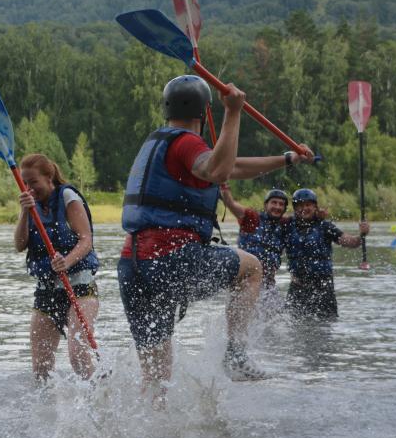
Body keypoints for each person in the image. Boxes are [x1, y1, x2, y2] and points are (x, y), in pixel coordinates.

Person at [116, 74, 314, 402]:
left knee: (155, 378)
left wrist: (287, 159)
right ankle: (236, 356)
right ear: (204, 109)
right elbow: (218, 171)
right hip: (172, 259)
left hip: (134, 267)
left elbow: (232, 166)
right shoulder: (187, 142)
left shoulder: (160, 142)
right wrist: (233, 112)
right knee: (250, 268)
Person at [14, 153, 100, 382]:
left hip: (80, 288)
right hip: (46, 292)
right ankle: (45, 413)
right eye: (25, 183)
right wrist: (24, 212)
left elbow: (86, 239)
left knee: (78, 356)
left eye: (33, 182)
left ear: (49, 177)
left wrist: (66, 261)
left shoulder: (68, 197)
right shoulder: (29, 204)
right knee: (41, 369)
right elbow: (20, 245)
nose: (29, 188)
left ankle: (97, 399)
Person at [283, 188, 370, 320]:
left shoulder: (325, 227)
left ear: (315, 207)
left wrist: (361, 235)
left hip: (324, 290)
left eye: (308, 205)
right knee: (294, 328)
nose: (304, 208)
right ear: (294, 208)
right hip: (297, 289)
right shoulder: (287, 226)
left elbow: (351, 242)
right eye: (300, 205)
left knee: (325, 330)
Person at [220, 187, 291, 288]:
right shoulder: (252, 219)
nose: (277, 207)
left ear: (284, 209)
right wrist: (224, 187)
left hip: (269, 284)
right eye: (274, 202)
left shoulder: (285, 226)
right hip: (245, 282)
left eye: (281, 204)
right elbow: (231, 204)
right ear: (266, 205)